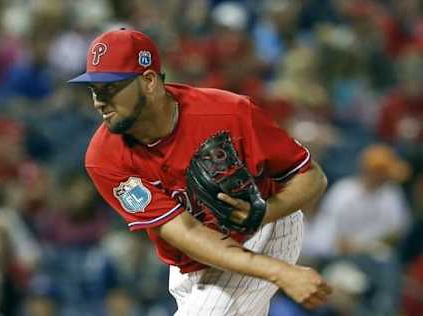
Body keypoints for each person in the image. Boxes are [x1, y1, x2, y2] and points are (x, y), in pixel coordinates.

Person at [68, 28, 331, 315]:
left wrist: (264, 213)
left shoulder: (228, 113)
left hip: (264, 232)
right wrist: (281, 273)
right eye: (94, 89)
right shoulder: (104, 157)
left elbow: (311, 176)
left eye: (111, 88)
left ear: (149, 81)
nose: (99, 101)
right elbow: (186, 231)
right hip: (192, 262)